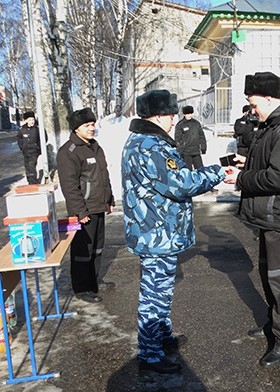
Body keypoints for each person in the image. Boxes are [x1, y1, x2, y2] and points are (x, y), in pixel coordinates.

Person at [121, 89, 225, 374]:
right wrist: (219, 172)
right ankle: (149, 353)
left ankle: (161, 338)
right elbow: (180, 183)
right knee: (155, 294)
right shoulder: (152, 145)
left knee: (161, 291)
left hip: (154, 231)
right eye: (170, 114)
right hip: (157, 234)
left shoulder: (142, 141)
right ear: (157, 115)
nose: (173, 119)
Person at [223, 71, 280, 368]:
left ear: (271, 98)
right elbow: (273, 162)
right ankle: (275, 324)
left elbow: (279, 177)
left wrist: (241, 179)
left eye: (254, 103)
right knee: (268, 275)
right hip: (269, 216)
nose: (252, 109)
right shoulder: (272, 125)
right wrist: (246, 163)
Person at [56, 108, 115, 304]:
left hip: (98, 205)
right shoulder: (68, 152)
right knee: (83, 250)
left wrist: (109, 199)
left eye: (93, 124)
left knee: (97, 248)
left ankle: (94, 281)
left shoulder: (95, 146)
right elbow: (70, 186)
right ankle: (82, 288)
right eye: (87, 125)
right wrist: (80, 211)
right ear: (76, 129)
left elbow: (103, 175)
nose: (92, 128)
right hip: (84, 210)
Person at [174, 105, 206, 170]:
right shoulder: (180, 125)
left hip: (196, 152)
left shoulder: (196, 123)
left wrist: (203, 147)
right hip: (186, 153)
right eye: (188, 114)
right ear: (184, 114)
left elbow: (201, 136)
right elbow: (178, 139)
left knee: (201, 170)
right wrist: (180, 150)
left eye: (191, 113)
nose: (189, 115)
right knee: (187, 171)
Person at [17, 111, 45, 184]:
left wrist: (38, 147)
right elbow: (19, 139)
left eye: (33, 120)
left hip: (34, 151)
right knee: (27, 166)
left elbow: (44, 138)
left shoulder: (37, 129)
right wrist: (22, 147)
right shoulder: (22, 129)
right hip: (26, 151)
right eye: (30, 120)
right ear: (26, 120)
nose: (32, 122)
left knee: (31, 165)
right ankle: (29, 180)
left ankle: (33, 181)